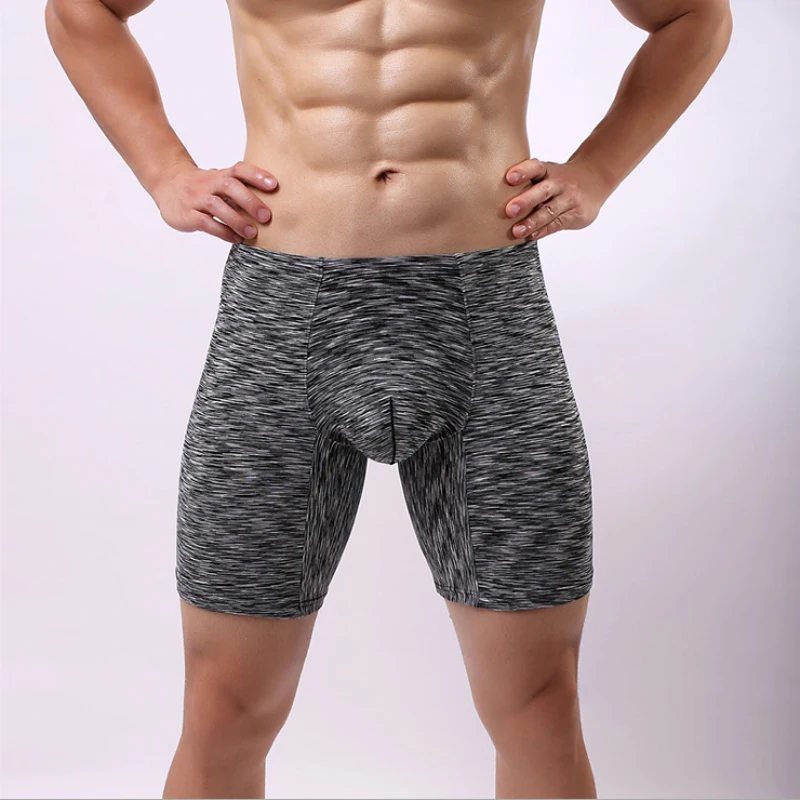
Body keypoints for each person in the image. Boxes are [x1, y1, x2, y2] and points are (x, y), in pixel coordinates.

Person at [45, 0, 732, 796]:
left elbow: (694, 15)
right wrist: (164, 170)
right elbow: (81, 10)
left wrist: (601, 169)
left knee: (538, 707)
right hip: (282, 314)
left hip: (485, 314)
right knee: (225, 707)